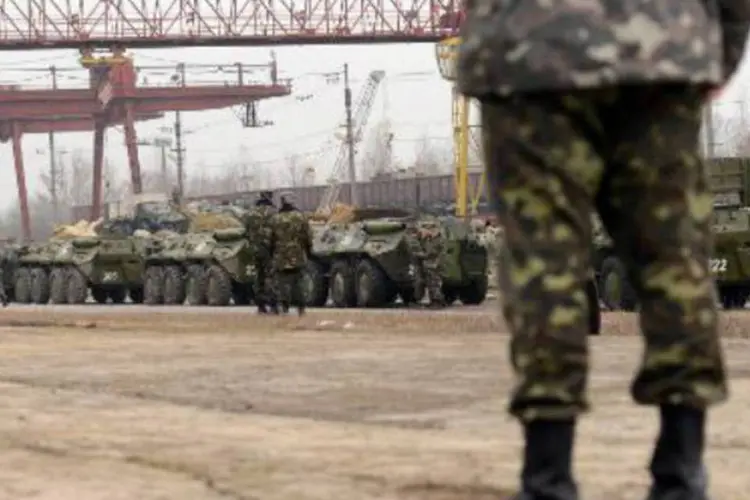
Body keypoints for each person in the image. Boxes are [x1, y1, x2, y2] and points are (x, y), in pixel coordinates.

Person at [456, 3, 748, 499]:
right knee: (673, 262)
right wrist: (721, 49)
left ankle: (547, 477)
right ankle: (681, 472)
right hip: (660, 47)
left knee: (544, 263)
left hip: (528, 54)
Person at [269, 193, 313, 315]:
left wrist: (271, 253)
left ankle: (285, 306)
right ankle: (301, 307)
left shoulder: (275, 219)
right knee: (299, 281)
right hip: (297, 254)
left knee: (282, 282)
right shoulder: (300, 217)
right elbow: (307, 237)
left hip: (281, 255)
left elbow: (271, 239)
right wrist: (308, 252)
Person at [245, 191, 278, 314]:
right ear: (270, 198)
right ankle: (273, 305)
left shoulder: (251, 213)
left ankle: (260, 306)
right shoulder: (274, 213)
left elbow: (246, 231)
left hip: (255, 249)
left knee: (258, 277)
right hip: (270, 250)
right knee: (271, 276)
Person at [416, 219, 445, 309]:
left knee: (433, 283)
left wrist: (418, 255)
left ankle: (437, 302)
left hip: (433, 264)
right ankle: (436, 301)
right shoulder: (431, 239)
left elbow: (430, 253)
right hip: (431, 264)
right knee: (432, 283)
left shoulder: (436, 240)